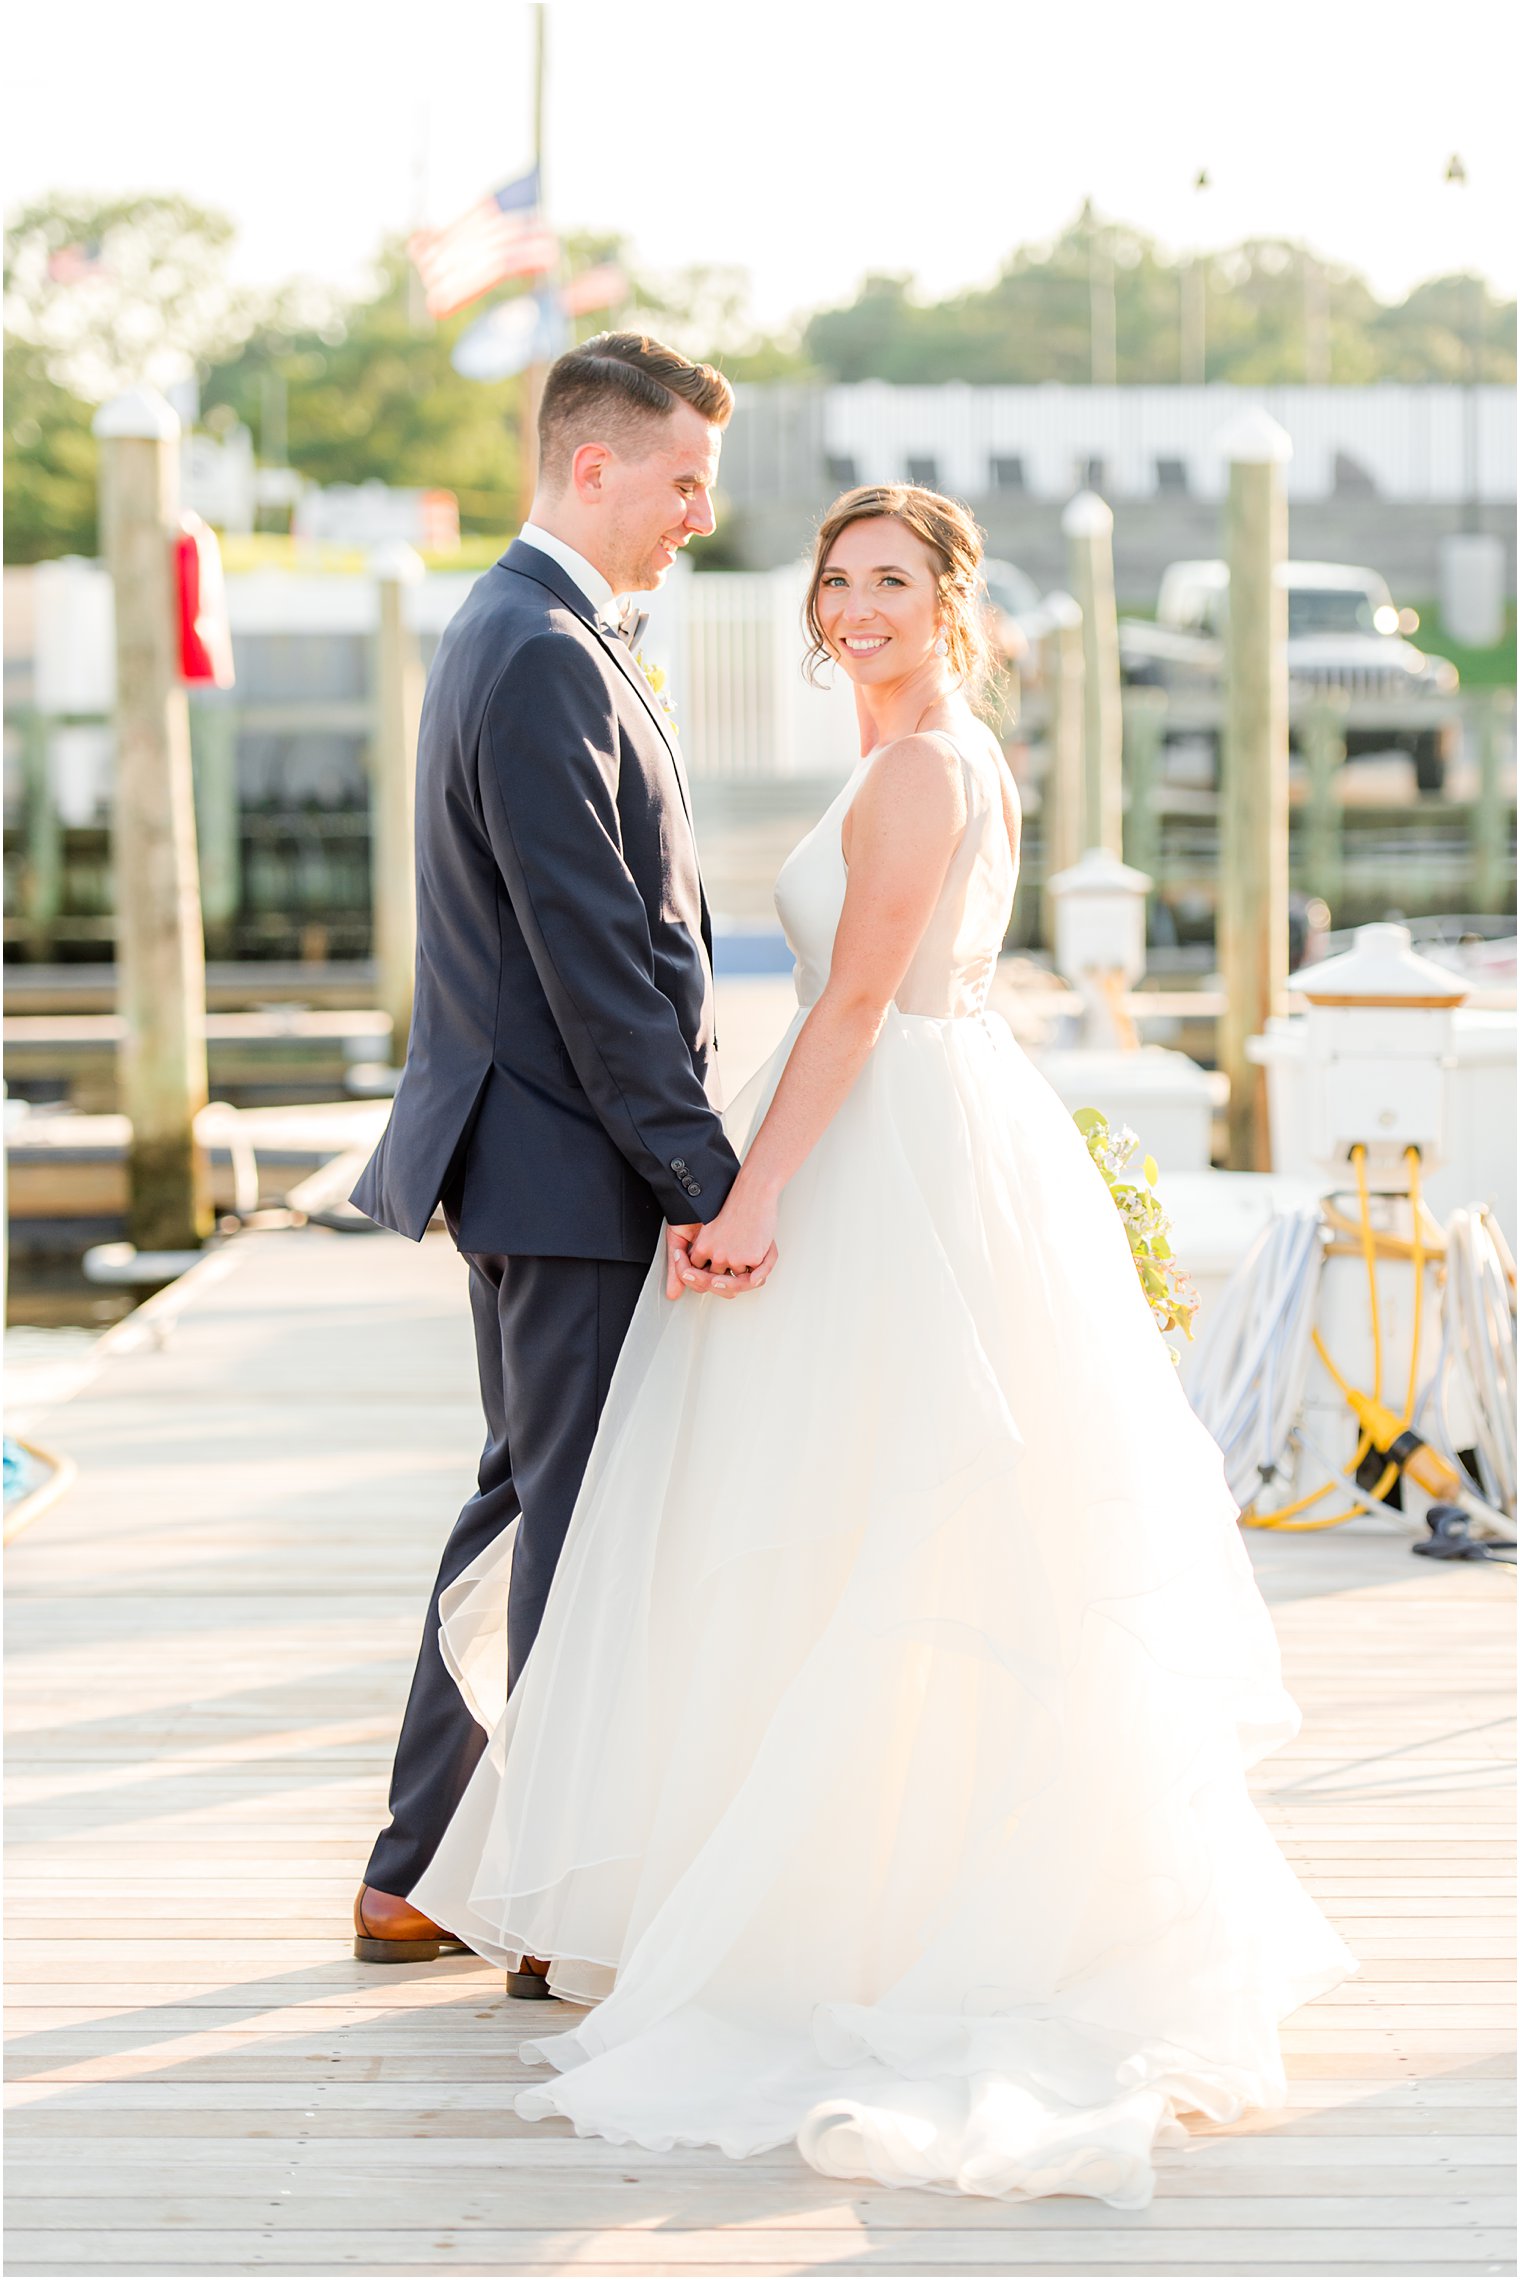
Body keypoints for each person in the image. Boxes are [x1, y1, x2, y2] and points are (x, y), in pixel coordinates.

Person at [411, 482, 1358, 2207]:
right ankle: (821, 1876)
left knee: (906, 1513)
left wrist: (750, 1193)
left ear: (953, 602)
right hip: (860, 1127)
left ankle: (900, 1912)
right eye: (840, 580)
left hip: (892, 1143)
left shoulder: (929, 766)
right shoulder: (894, 751)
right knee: (817, 1524)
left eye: (893, 582)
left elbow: (859, 999)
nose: (858, 606)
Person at [348, 334, 773, 1978]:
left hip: (534, 1158)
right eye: (681, 481)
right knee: (582, 1539)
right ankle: (553, 1905)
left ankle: (417, 1876)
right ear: (592, 467)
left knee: (529, 1512)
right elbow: (592, 955)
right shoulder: (537, 650)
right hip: (566, 1164)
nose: (697, 514)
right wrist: (702, 1178)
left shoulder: (539, 633)